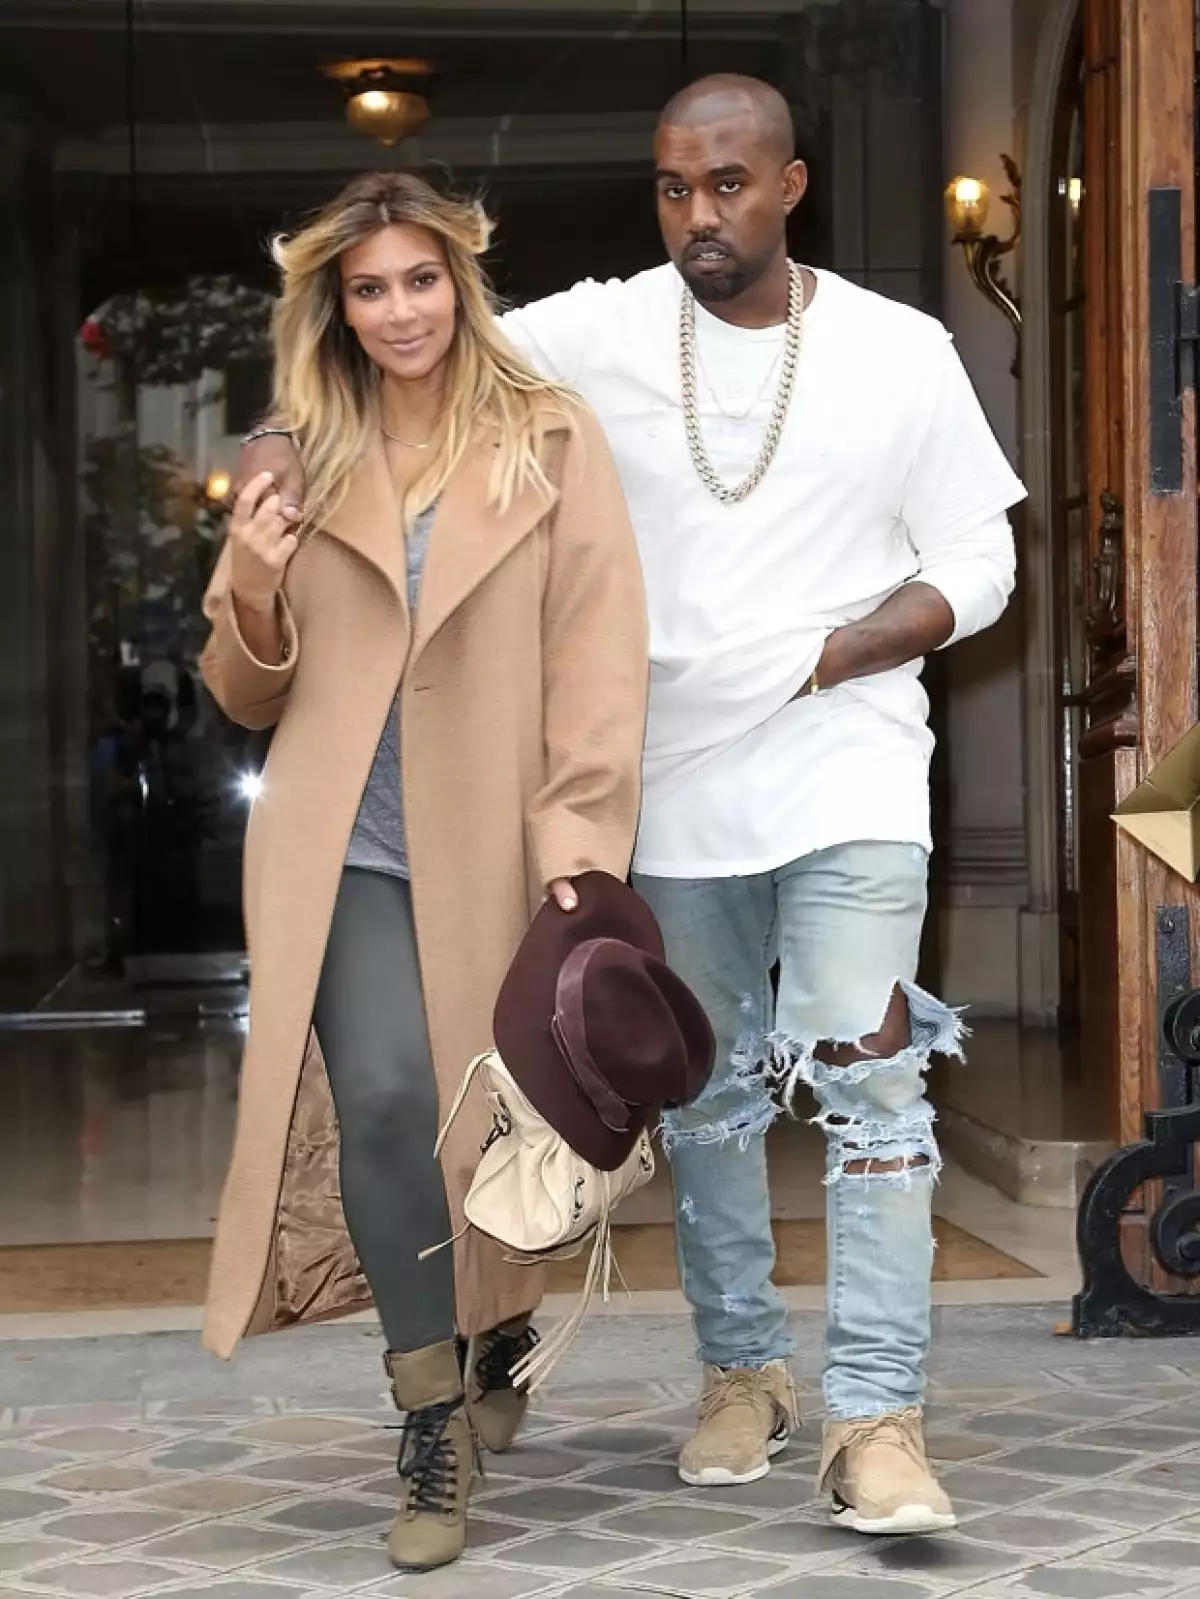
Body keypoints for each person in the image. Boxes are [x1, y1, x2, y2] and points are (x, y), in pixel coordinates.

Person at [235, 75, 1024, 1537]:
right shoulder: (599, 327)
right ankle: (742, 1375)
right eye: (672, 187)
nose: (697, 214)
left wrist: (838, 653)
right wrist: (281, 436)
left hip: (848, 761)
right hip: (672, 791)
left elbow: (982, 563)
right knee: (707, 1099)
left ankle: (877, 1417)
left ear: (791, 186)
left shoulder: (901, 350)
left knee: (871, 1082)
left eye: (726, 185)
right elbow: (409, 340)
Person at [201, 170, 647, 1572]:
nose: (400, 311)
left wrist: (578, 848)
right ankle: (428, 1411)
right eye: (369, 287)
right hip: (347, 843)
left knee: (494, 1124)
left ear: (464, 282)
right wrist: (254, 575)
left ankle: (501, 1316)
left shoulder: (549, 436)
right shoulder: (297, 453)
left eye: (422, 279)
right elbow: (242, 689)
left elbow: (597, 653)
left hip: (506, 836)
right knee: (393, 1095)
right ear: (334, 306)